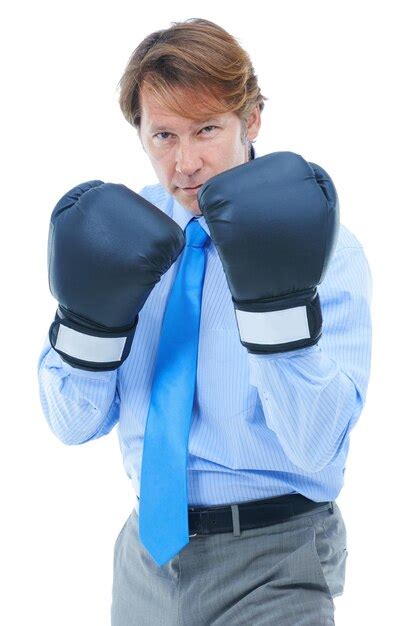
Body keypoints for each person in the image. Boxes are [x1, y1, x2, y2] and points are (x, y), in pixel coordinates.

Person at [37, 17, 373, 625]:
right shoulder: (116, 237)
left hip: (276, 556)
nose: (185, 162)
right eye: (163, 135)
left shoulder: (325, 248)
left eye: (207, 130)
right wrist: (88, 323)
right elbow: (71, 423)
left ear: (253, 120)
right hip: (145, 562)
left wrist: (275, 311)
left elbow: (318, 445)